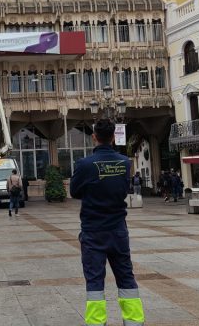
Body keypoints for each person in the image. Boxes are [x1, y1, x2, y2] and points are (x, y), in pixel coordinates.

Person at [70, 119, 145, 326]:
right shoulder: (125, 163)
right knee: (126, 277)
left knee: (95, 282)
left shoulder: (85, 165)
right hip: (118, 229)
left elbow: (74, 191)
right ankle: (134, 322)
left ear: (94, 137)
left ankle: (96, 323)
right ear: (113, 137)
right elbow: (122, 189)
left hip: (94, 231)